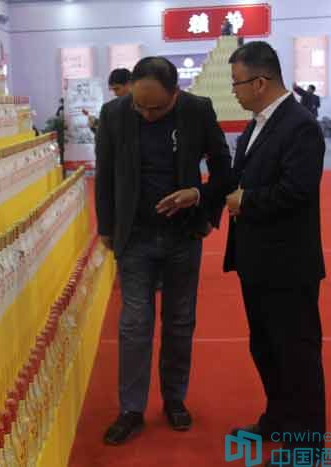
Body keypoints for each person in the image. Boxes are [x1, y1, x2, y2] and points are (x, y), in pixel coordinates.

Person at [95, 56, 232, 445]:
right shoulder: (114, 114)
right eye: (139, 106)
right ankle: (131, 409)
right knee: (134, 324)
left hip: (182, 236)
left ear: (176, 93)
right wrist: (107, 227)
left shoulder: (197, 110)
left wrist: (199, 198)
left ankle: (174, 399)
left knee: (179, 320)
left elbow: (224, 168)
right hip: (135, 236)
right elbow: (105, 174)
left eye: (156, 108)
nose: (146, 114)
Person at [224, 41, 326, 466]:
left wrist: (246, 201)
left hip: (288, 262)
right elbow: (238, 178)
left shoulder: (300, 126)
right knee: (265, 348)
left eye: (237, 83)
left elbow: (297, 190)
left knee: (296, 354)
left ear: (260, 82)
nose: (233, 91)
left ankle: (307, 446)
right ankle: (279, 419)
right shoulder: (258, 124)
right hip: (256, 259)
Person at [84, 68, 132, 134]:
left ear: (129, 84)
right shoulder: (110, 109)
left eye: (117, 89)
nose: (115, 94)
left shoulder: (143, 105)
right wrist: (96, 126)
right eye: (113, 90)